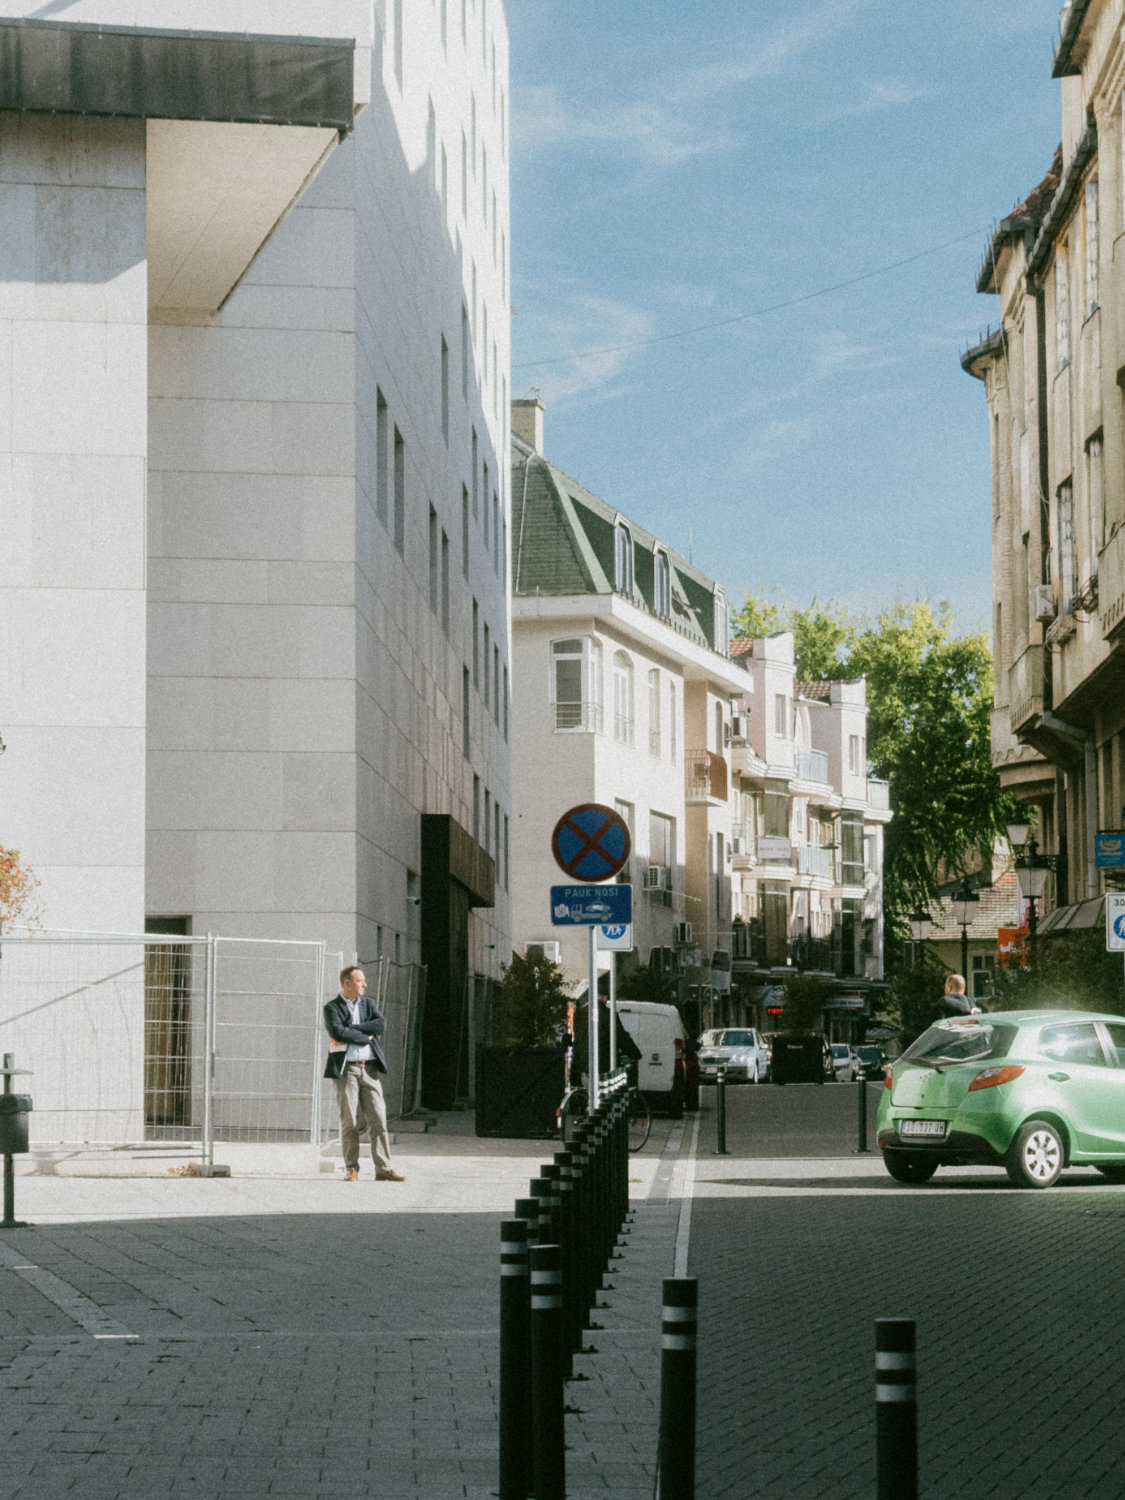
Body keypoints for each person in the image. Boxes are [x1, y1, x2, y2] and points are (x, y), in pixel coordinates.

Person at [323, 965, 405, 1182]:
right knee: (349, 1121)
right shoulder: (332, 1007)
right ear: (347, 983)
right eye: (360, 981)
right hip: (346, 1069)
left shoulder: (368, 1004)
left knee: (378, 1118)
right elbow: (337, 1031)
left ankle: (384, 1168)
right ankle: (351, 1168)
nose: (364, 984)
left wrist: (352, 1029)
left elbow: (380, 1025)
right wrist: (364, 1036)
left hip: (369, 1069)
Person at [571, 994, 642, 1087]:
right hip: (603, 1063)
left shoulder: (579, 1013)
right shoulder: (609, 1014)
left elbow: (578, 1039)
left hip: (582, 1064)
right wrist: (635, 1054)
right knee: (609, 1087)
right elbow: (621, 1037)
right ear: (605, 998)